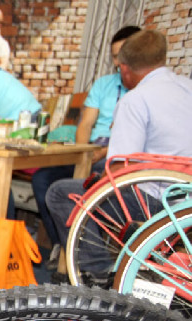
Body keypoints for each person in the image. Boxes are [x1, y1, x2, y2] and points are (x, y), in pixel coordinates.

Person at [47, 29, 192, 282]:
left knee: (61, 192)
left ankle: (98, 275)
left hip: (158, 203)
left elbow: (120, 169)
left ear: (124, 69)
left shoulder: (135, 100)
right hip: (186, 200)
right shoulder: (187, 88)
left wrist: (97, 179)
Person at [31, 25, 140, 269]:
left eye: (122, 55)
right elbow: (85, 124)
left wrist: (99, 154)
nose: (117, 62)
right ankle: (62, 244)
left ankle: (87, 261)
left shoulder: (142, 90)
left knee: (79, 185)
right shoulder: (104, 84)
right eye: (114, 56)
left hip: (116, 157)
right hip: (91, 150)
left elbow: (129, 139)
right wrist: (82, 152)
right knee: (42, 179)